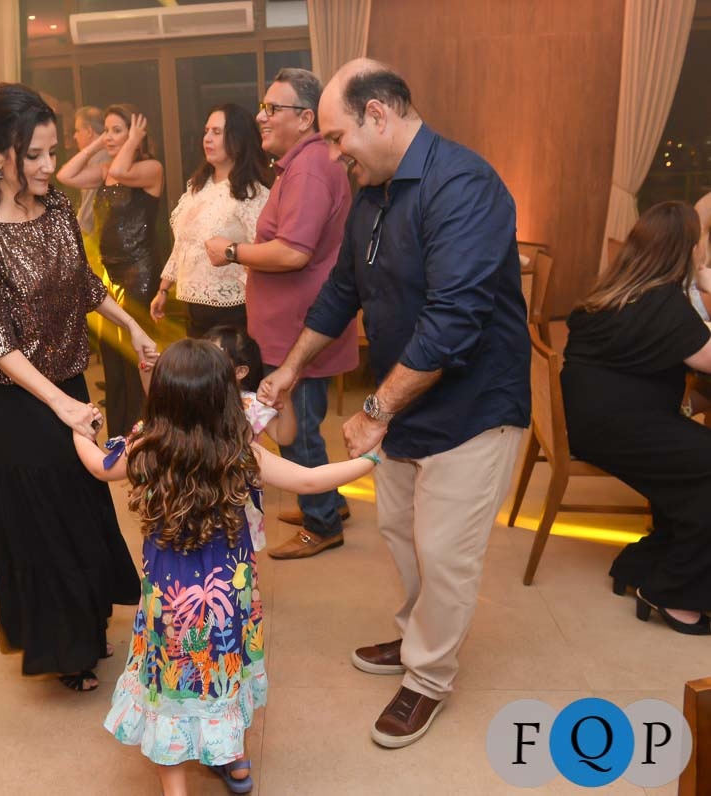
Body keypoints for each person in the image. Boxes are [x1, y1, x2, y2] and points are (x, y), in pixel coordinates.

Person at [259, 59, 530, 747]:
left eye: (336, 136)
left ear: (377, 115)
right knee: (401, 535)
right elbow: (342, 293)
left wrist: (374, 410)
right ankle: (415, 637)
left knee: (444, 551)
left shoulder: (464, 186)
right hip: (406, 402)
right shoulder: (371, 194)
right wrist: (290, 368)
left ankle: (429, 677)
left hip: (473, 407)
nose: (333, 153)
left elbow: (453, 320)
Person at [73, 339, 378, 796]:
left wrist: (80, 429)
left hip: (170, 607)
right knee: (224, 673)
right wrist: (370, 460)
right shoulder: (241, 453)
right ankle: (236, 765)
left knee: (171, 690)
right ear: (225, 397)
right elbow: (311, 479)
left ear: (162, 397)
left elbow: (99, 467)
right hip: (226, 601)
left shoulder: (146, 448)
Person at [0, 82, 158, 691]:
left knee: (78, 502)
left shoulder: (59, 210)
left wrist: (133, 327)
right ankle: (63, 646)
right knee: (41, 518)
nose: (49, 166)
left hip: (65, 381)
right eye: (35, 155)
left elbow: (84, 284)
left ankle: (85, 623)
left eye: (51, 152)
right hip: (13, 398)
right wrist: (61, 402)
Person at [205, 68, 356, 557]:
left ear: (306, 118)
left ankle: (322, 522)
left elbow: (293, 252)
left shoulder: (309, 168)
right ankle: (328, 502)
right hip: (293, 321)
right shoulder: (302, 164)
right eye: (263, 107)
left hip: (298, 327)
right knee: (302, 423)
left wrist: (232, 251)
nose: (261, 117)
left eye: (273, 108)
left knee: (298, 430)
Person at [562, 201, 711, 635]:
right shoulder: (664, 303)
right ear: (688, 250)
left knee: (692, 481)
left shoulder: (617, 292)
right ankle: (671, 590)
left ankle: (643, 566)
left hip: (596, 422)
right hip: (621, 427)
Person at [58, 103, 164, 436]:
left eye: (117, 130)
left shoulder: (151, 168)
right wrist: (94, 145)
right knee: (114, 361)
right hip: (110, 275)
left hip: (139, 273)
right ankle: (121, 435)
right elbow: (65, 176)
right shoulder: (105, 170)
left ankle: (146, 434)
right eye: (106, 130)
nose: (109, 137)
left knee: (135, 360)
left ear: (136, 134)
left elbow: (121, 170)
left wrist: (131, 142)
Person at [150, 104, 272, 338]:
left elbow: (263, 253)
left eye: (217, 132)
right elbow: (183, 244)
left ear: (238, 139)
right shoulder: (198, 187)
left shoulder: (252, 193)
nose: (207, 138)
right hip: (192, 308)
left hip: (234, 312)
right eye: (206, 131)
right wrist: (163, 289)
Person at [72, 105, 111, 238]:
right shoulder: (97, 157)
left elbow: (89, 208)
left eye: (77, 130)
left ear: (89, 131)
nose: (74, 136)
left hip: (93, 237)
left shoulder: (101, 157)